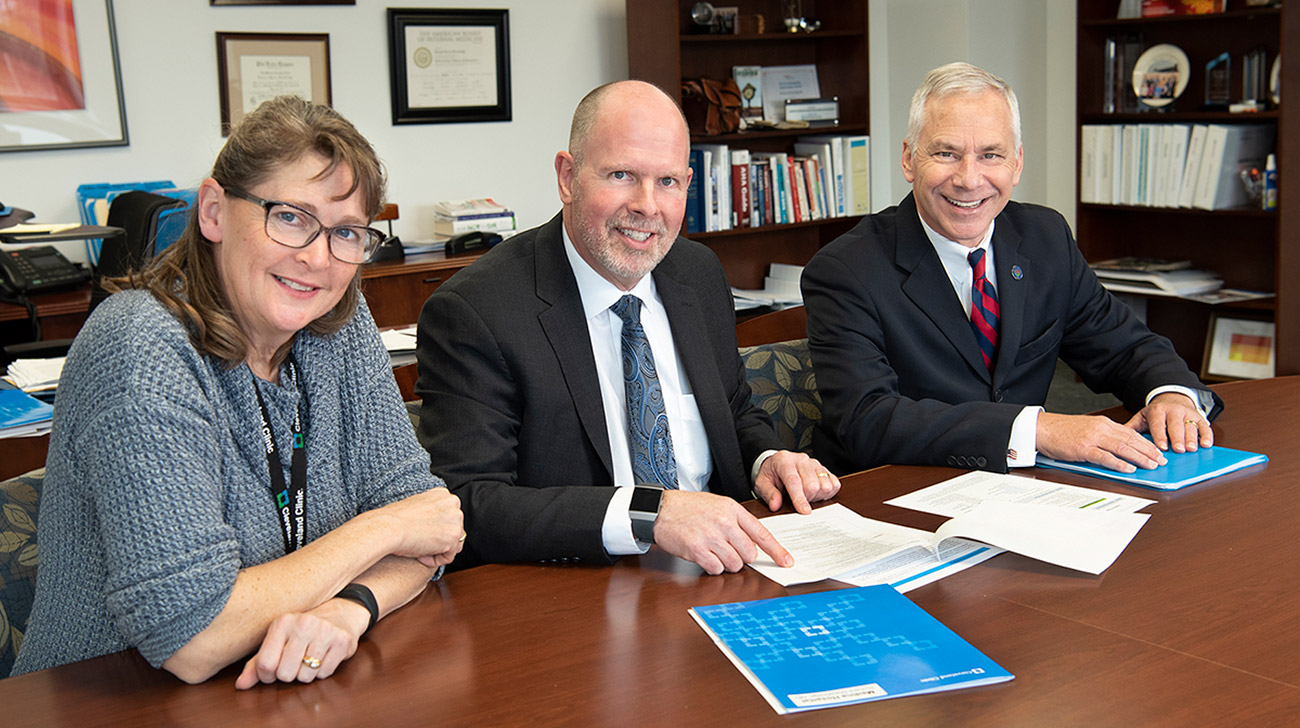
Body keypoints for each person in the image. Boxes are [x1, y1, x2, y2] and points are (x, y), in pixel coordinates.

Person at [11, 96, 463, 687]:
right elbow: (194, 638)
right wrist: (382, 529)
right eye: (291, 216)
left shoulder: (337, 325)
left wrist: (346, 610)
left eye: (346, 232)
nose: (317, 258)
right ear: (214, 212)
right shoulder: (139, 348)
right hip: (110, 700)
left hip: (283, 689)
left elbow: (432, 529)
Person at [415, 80, 840, 576]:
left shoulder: (696, 273)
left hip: (725, 566)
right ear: (568, 177)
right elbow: (470, 505)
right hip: (578, 586)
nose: (647, 206)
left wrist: (765, 460)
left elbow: (732, 409)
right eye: (621, 175)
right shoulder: (475, 310)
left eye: (668, 182)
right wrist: (647, 516)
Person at [802, 62, 1222, 475]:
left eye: (991, 155)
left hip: (1024, 493)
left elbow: (1124, 346)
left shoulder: (1045, 238)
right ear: (910, 159)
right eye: (946, 153)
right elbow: (867, 419)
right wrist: (1036, 429)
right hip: (892, 496)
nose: (969, 179)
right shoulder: (846, 270)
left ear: (1017, 163)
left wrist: (1171, 395)